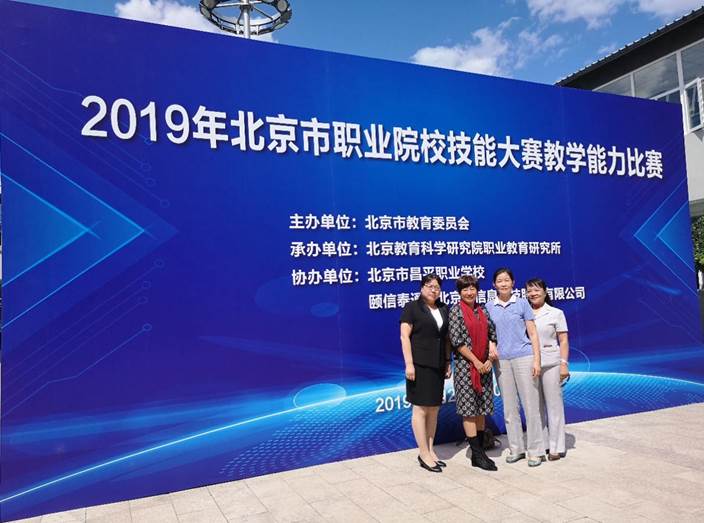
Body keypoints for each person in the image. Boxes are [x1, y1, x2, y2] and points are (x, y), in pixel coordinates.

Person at [486, 268, 543, 467]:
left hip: (524, 357)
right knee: (510, 408)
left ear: (513, 283)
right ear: (494, 285)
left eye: (506, 280)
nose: (503, 284)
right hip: (501, 361)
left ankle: (535, 451)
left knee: (531, 406)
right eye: (499, 281)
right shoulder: (489, 307)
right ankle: (516, 448)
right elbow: (488, 334)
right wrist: (491, 346)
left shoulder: (522, 303)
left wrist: (537, 360)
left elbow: (533, 334)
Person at [400, 274, 452, 473]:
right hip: (419, 364)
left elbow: (446, 339)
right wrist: (409, 364)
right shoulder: (412, 308)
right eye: (429, 286)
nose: (433, 290)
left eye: (437, 287)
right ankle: (423, 453)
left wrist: (447, 361)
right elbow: (404, 337)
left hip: (438, 364)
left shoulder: (443, 308)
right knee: (421, 409)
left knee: (434, 409)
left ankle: (431, 450)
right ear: (422, 288)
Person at [448, 275, 498, 471]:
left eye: (472, 289)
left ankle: (481, 450)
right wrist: (476, 362)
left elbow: (492, 333)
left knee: (481, 408)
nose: (469, 293)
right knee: (469, 410)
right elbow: (456, 341)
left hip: (485, 366)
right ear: (459, 292)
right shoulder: (455, 311)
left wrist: (489, 358)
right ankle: (477, 454)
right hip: (466, 367)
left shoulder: (482, 309)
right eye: (465, 289)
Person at [525, 278, 570, 461]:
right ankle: (542, 444)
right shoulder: (523, 312)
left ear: (544, 292)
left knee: (554, 405)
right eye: (529, 291)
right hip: (529, 363)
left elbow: (563, 341)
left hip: (551, 362)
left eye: (536, 290)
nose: (533, 294)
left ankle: (556, 447)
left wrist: (563, 363)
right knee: (535, 407)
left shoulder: (556, 313)